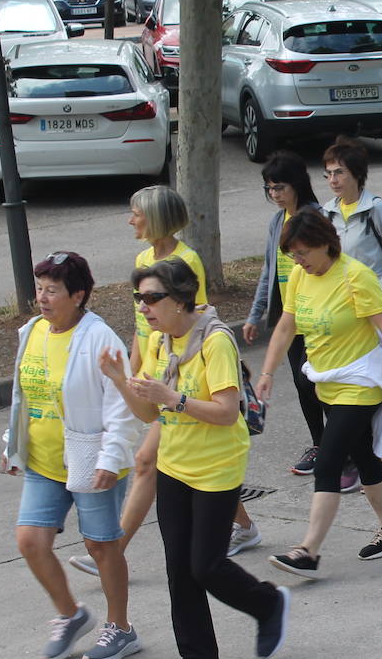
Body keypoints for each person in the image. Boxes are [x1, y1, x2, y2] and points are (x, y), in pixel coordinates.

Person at [101, 258, 289, 659]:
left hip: (217, 468)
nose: (144, 307)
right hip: (175, 464)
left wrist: (174, 397)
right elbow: (149, 411)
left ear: (182, 298)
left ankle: (268, 603)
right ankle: (199, 658)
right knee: (178, 567)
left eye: (152, 298)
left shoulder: (214, 340)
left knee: (205, 565)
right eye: (139, 299)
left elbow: (226, 412)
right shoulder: (157, 342)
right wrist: (119, 380)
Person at [68, 187, 259, 579]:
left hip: (182, 378)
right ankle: (244, 524)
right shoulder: (143, 259)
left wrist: (170, 387)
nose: (130, 219)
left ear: (154, 217)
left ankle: (114, 548)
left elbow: (197, 318)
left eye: (135, 212)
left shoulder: (185, 262)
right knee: (174, 468)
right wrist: (133, 369)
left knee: (144, 461)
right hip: (155, 369)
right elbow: (145, 325)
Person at [258, 209, 382, 579]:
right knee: (364, 457)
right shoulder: (298, 276)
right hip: (327, 382)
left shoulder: (356, 276)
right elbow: (285, 328)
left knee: (329, 463)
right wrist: (267, 372)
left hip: (360, 383)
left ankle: (307, 551)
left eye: (303, 253)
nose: (298, 261)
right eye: (292, 255)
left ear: (325, 244)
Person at [2, 252, 140, 659]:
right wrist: (13, 442)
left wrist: (110, 459)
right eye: (39, 289)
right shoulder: (31, 332)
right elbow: (25, 395)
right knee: (30, 541)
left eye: (52, 291)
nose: (42, 299)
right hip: (44, 461)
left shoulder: (100, 338)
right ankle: (71, 614)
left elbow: (121, 404)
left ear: (78, 295)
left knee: (102, 546)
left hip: (92, 460)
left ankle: (121, 628)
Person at [320, 138, 382, 490]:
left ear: (357, 174)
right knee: (352, 385)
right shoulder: (328, 213)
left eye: (339, 172)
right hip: (342, 314)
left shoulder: (376, 210)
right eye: (328, 173)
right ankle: (361, 458)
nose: (333, 180)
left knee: (378, 385)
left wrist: (377, 288)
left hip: (375, 311)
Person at [242, 150, 327, 476]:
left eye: (280, 187)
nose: (275, 195)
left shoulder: (316, 217)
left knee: (322, 384)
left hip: (316, 317)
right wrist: (255, 314)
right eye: (270, 189)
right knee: (302, 383)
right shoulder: (277, 221)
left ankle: (341, 445)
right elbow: (269, 270)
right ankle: (321, 444)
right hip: (287, 318)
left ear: (297, 184)